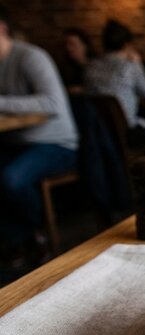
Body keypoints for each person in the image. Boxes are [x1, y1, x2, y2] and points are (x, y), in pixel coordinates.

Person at [0, 7, 79, 264]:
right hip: (16, 142)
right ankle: (15, 240)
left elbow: (52, 103)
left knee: (11, 178)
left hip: (56, 143)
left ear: (2, 28)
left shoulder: (31, 57)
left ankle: (35, 235)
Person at [84, 19, 145, 132]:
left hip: (98, 132)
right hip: (127, 130)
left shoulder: (91, 67)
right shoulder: (130, 65)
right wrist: (138, 64)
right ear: (127, 45)